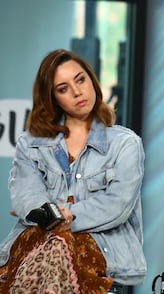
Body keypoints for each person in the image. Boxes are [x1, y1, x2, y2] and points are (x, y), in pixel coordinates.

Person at [0, 49, 147, 293]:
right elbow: (28, 196)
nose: (77, 92)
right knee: (54, 244)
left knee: (59, 244)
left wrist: (63, 215)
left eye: (80, 80)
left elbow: (115, 206)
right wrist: (50, 216)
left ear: (92, 80)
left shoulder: (125, 144)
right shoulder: (31, 143)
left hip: (103, 253)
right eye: (63, 88)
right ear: (52, 97)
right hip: (39, 244)